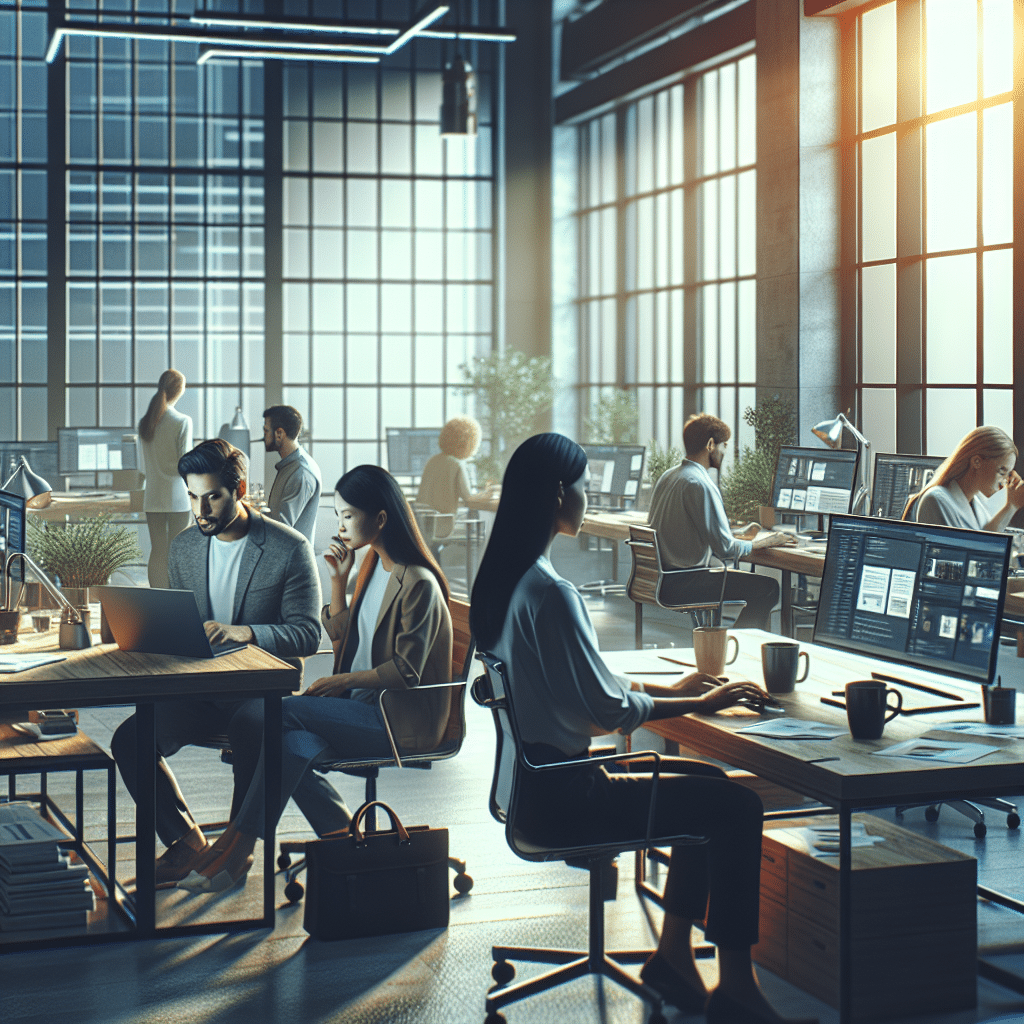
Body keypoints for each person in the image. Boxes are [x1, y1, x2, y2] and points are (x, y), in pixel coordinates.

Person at [469, 433, 814, 1024]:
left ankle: (674, 955)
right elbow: (608, 713)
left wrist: (677, 692)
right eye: (581, 486)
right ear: (559, 494)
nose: (587, 495)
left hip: (536, 787)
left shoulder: (508, 582)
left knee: (706, 782)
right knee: (735, 809)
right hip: (572, 797)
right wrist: (697, 705)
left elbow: (585, 688)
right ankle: (736, 991)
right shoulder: (552, 594)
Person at [173, 464, 453, 893]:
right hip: (357, 707)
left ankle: (234, 846)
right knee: (290, 746)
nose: (339, 525)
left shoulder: (417, 583)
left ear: (380, 519)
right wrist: (338, 584)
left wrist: (342, 683)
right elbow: (344, 639)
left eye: (347, 516)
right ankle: (348, 844)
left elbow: (407, 672)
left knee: (263, 717)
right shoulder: (372, 567)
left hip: (395, 721)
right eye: (338, 514)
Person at [110, 439, 322, 888]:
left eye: (212, 497)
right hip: (200, 689)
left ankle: (233, 846)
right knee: (130, 739)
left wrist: (248, 632)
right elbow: (184, 625)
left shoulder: (288, 548)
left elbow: (307, 634)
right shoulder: (185, 548)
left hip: (259, 692)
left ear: (239, 488)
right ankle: (187, 842)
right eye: (191, 496)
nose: (200, 509)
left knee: (252, 725)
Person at [647, 413, 794, 630]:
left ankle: (730, 644)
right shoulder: (700, 484)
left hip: (658, 579)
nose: (725, 452)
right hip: (684, 583)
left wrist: (739, 533)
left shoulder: (669, 476)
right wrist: (766, 541)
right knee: (768, 587)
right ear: (710, 445)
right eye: (724, 445)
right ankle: (736, 646)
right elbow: (725, 550)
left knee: (757, 584)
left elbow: (696, 531)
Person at [903, 426, 1024, 531]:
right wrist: (1011, 506)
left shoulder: (977, 503)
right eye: (1002, 471)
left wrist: (1012, 504)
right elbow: (979, 550)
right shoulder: (936, 500)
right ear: (977, 462)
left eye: (1008, 474)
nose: (1004, 483)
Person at [137, 369, 192, 589]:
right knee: (176, 550)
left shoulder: (145, 422)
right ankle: (176, 596)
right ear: (179, 391)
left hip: (152, 497)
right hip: (178, 498)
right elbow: (185, 463)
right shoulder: (182, 421)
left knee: (157, 550)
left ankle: (158, 595)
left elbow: (141, 467)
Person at [416, 414, 495, 540]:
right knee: (483, 533)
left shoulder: (432, 461)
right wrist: (487, 494)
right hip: (443, 526)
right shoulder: (456, 464)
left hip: (422, 526)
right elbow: (469, 500)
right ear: (469, 442)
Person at [263, 404, 322, 544]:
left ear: (279, 434)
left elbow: (282, 529)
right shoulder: (290, 466)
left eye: (266, 431)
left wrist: (248, 515)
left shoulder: (301, 472)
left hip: (293, 563)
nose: (263, 436)